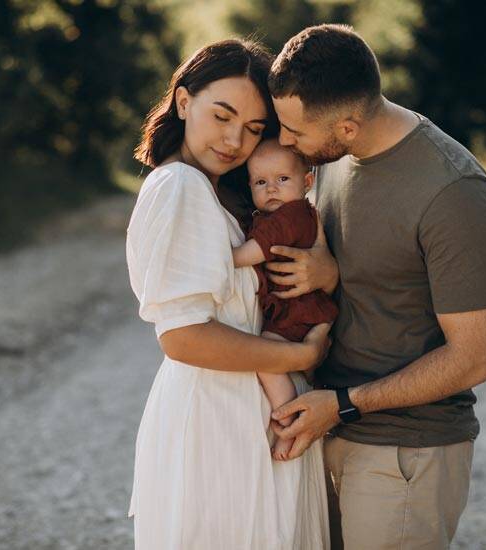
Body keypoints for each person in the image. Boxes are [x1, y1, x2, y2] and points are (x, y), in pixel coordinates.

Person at [263, 25, 486, 549]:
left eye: (293, 130)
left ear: (348, 127)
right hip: (327, 428)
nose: (284, 142)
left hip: (405, 452)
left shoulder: (453, 192)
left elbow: (476, 358)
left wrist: (344, 403)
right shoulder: (331, 159)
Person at [125, 39, 331, 550]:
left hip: (241, 411)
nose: (235, 139)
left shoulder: (219, 192)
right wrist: (300, 356)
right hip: (216, 419)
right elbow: (183, 338)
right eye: (222, 116)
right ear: (183, 101)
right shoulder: (180, 187)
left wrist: (323, 270)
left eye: (254, 128)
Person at [232, 138, 339, 461]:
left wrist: (225, 257)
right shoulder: (280, 214)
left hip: (299, 310)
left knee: (266, 357)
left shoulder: (292, 215)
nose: (272, 189)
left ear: (307, 182)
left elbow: (255, 250)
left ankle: (288, 421)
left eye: (282, 179)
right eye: (261, 182)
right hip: (301, 308)